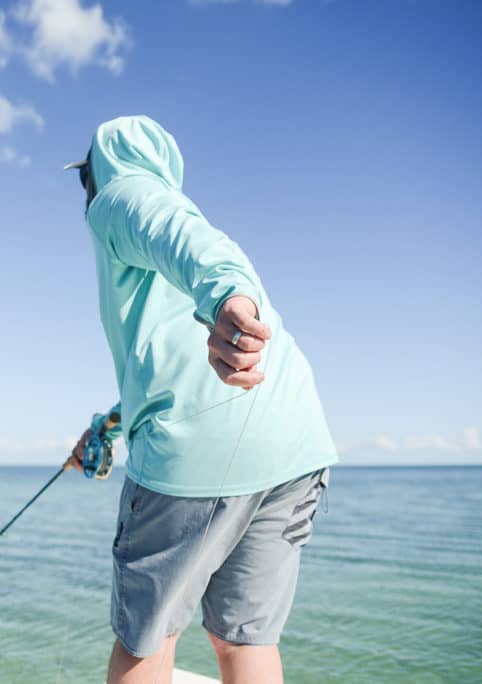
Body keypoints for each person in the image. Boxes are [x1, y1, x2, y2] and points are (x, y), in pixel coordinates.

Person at [64, 115, 338, 684]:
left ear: (101, 168)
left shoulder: (120, 198)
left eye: (85, 175)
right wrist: (105, 430)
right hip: (293, 441)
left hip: (194, 452)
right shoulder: (154, 250)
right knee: (245, 641)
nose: (86, 189)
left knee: (147, 640)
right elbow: (167, 369)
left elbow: (198, 245)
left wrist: (231, 296)